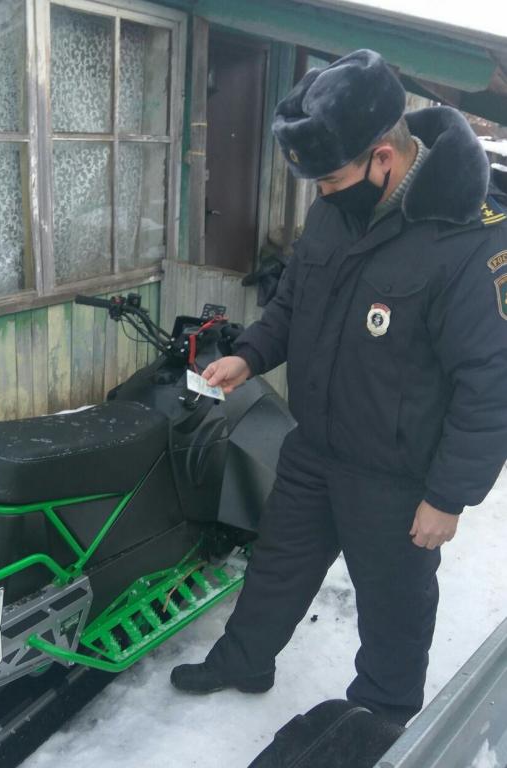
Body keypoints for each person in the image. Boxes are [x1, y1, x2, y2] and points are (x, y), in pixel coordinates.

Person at [170, 49, 507, 725]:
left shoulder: (467, 242)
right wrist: (250, 355)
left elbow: (491, 383)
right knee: (276, 564)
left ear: (383, 156)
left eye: (329, 178)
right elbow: (296, 299)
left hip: (396, 474)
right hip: (316, 445)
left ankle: (380, 717)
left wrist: (447, 497)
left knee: (393, 604)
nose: (320, 194)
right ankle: (245, 660)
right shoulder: (335, 209)